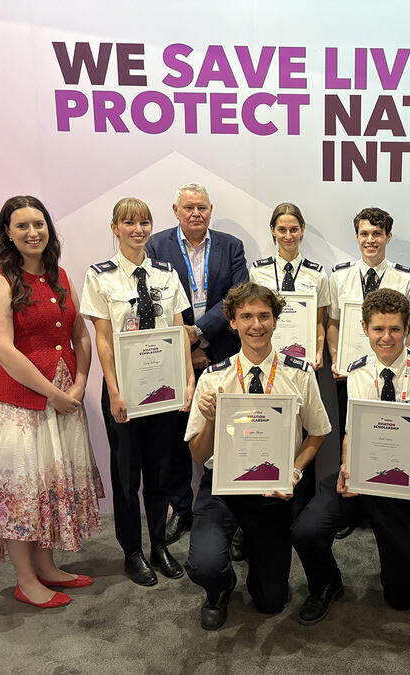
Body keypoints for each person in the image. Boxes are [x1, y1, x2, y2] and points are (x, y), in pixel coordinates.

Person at [291, 288, 410, 622]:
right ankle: (326, 583)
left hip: (408, 491)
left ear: (407, 329)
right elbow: (351, 432)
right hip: (361, 482)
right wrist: (346, 465)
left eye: (395, 328)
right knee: (305, 530)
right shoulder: (357, 373)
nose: (387, 337)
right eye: (378, 329)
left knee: (401, 598)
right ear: (364, 328)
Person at [0, 195, 103, 608]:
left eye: (39, 224)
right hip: (23, 404)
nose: (33, 232)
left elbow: (79, 333)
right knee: (24, 491)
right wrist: (53, 393)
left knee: (48, 487)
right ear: (8, 233)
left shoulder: (59, 274)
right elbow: (3, 349)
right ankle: (26, 580)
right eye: (22, 226)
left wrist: (80, 382)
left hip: (64, 398)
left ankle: (47, 567)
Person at [183, 282, 331, 630]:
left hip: (271, 491)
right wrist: (211, 419)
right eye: (246, 316)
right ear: (232, 322)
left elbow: (319, 431)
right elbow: (198, 454)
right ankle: (220, 587)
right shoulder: (213, 378)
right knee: (204, 565)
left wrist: (295, 471)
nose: (256, 325)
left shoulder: (299, 374)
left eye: (264, 316)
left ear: (276, 320)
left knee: (271, 602)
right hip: (221, 487)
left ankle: (256, 559)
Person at [80, 197, 195, 586]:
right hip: (124, 390)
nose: (138, 229)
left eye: (144, 222)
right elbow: (103, 338)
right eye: (129, 223)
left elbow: (179, 330)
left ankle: (159, 545)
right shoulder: (101, 277)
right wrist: (113, 390)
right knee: (127, 477)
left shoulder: (166, 273)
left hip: (163, 389)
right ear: (115, 228)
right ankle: (132, 551)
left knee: (161, 471)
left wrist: (188, 380)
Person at [146, 182, 248, 546]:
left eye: (201, 207)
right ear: (175, 211)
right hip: (176, 354)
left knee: (230, 431)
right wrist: (186, 350)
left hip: (222, 350)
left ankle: (232, 509)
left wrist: (200, 334)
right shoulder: (156, 245)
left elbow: (236, 297)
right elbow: (154, 301)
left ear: (210, 210)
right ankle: (182, 508)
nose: (195, 213)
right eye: (188, 207)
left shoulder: (231, 246)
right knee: (176, 435)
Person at [327, 207, 410, 538]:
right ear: (356, 236)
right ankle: (355, 506)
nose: (371, 240)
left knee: (390, 436)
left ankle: (389, 505)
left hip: (392, 374)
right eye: (364, 233)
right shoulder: (339, 276)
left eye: (377, 234)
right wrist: (337, 359)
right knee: (351, 436)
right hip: (351, 375)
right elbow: (334, 323)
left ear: (388, 237)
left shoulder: (406, 279)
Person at [249, 202, 329, 370]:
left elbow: (319, 322)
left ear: (302, 229)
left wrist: (318, 352)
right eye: (282, 230)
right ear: (272, 230)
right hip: (267, 357)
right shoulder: (258, 271)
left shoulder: (317, 273)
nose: (288, 236)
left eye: (293, 229)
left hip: (305, 359)